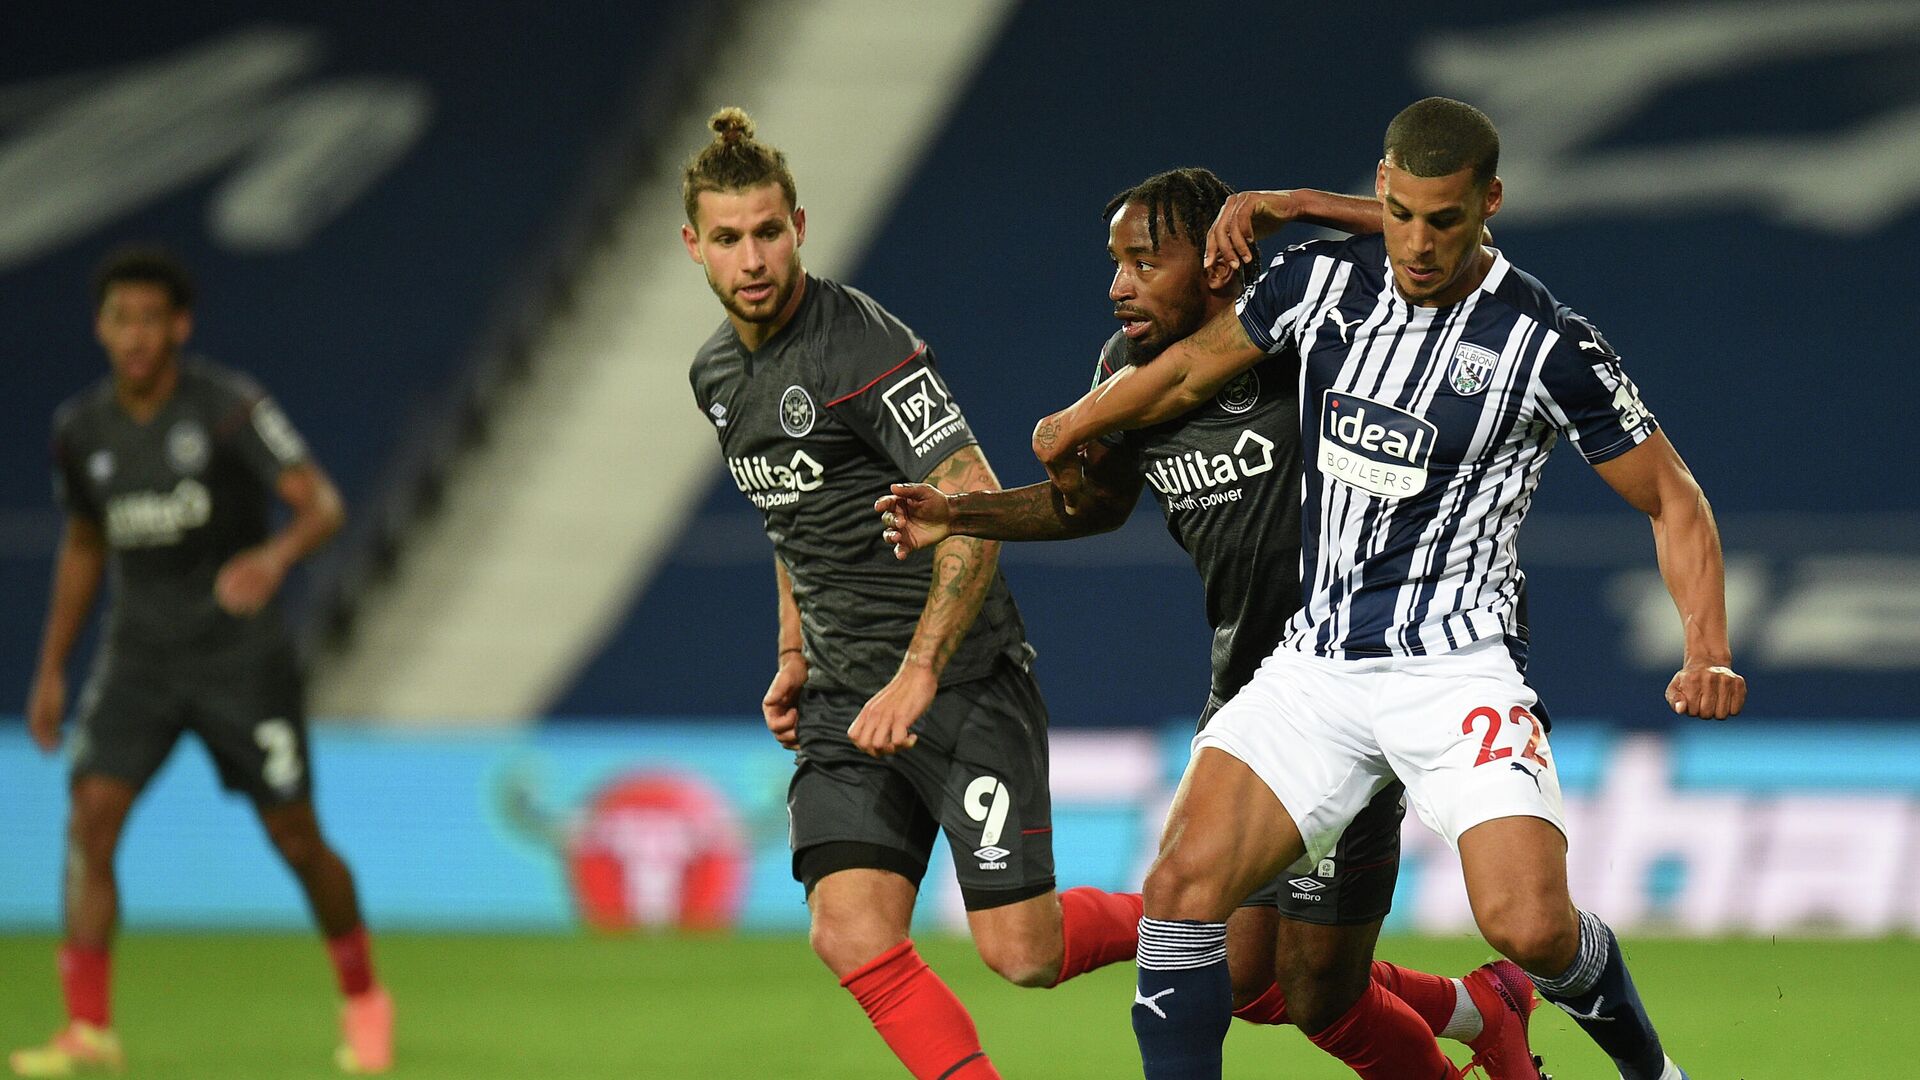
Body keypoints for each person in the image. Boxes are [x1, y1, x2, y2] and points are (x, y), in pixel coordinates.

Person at [1030, 98, 1744, 1080]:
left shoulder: (1547, 345)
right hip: (1316, 665)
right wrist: (1079, 418)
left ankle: (1654, 1072)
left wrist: (1705, 646)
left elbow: (1673, 500)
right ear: (1381, 192)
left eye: (1443, 219)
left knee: (1529, 925)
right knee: (1182, 889)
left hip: (1459, 674)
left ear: (1489, 203)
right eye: (1400, 212)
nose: (1416, 240)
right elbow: (1193, 366)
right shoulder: (1320, 284)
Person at [878, 167, 1544, 1079]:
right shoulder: (1124, 377)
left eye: (1145, 262)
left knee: (1317, 995)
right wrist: (961, 515)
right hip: (1249, 696)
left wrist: (1298, 207)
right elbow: (1092, 506)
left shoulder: (1310, 339)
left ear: (1217, 264)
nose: (1118, 285)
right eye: (1115, 262)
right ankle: (1483, 1007)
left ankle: (1484, 1012)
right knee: (1237, 974)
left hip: (1349, 684)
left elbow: (1470, 256)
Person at [680, 107, 1143, 1080]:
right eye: (729, 238)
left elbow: (971, 499)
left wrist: (921, 670)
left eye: (768, 231)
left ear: (798, 226)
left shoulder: (859, 347)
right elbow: (790, 518)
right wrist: (796, 656)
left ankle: (1218, 923)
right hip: (846, 698)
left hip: (961, 682)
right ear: (694, 247)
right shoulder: (716, 375)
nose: (752, 256)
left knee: (1025, 953)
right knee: (849, 929)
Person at [13, 249, 392, 1077]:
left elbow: (321, 503)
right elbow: (84, 544)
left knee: (294, 836)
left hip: (238, 659)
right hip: (139, 657)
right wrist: (50, 668)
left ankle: (364, 998)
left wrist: (275, 556)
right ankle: (89, 1031)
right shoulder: (82, 432)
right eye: (122, 320)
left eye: (153, 320)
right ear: (101, 328)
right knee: (89, 821)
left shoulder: (226, 408)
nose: (137, 336)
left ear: (178, 327)